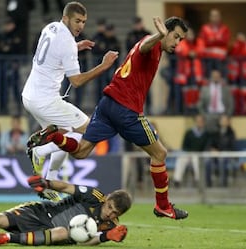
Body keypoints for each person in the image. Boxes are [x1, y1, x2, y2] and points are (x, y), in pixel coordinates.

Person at [29, 16, 189, 219]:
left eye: (180, 40)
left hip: (108, 104)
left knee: (80, 152)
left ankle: (53, 137)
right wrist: (159, 35)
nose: (176, 43)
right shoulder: (153, 43)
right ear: (165, 32)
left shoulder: (153, 46)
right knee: (160, 154)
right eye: (175, 37)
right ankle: (163, 206)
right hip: (126, 110)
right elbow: (144, 47)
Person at [22, 2, 119, 200]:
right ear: (66, 18)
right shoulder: (66, 42)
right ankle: (40, 151)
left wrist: (76, 46)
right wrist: (104, 66)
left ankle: (50, 183)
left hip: (30, 96)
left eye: (83, 22)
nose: (81, 26)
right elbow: (76, 81)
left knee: (64, 137)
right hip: (45, 101)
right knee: (88, 129)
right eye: (77, 21)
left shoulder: (50, 27)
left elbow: (53, 51)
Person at [0, 175, 131, 246]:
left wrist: (105, 238)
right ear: (107, 199)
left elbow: (88, 241)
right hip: (42, 213)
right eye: (110, 208)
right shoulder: (93, 195)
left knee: (63, 232)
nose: (110, 214)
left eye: (115, 214)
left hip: (58, 234)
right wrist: (46, 183)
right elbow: (67, 187)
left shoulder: (111, 227)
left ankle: (6, 240)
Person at [173, 114, 209, 188]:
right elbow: (184, 146)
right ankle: (177, 180)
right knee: (181, 159)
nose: (199, 123)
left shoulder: (206, 134)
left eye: (201, 121)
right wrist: (190, 151)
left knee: (196, 160)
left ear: (203, 122)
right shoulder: (189, 133)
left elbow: (206, 146)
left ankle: (198, 181)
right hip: (188, 153)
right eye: (198, 121)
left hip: (199, 154)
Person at [197, 69, 234, 136]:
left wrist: (227, 116)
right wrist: (204, 115)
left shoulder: (226, 89)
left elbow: (231, 104)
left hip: (222, 115)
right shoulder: (205, 89)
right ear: (211, 77)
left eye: (217, 76)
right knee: (209, 134)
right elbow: (200, 104)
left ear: (220, 77)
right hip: (209, 115)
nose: (216, 78)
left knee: (223, 135)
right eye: (214, 76)